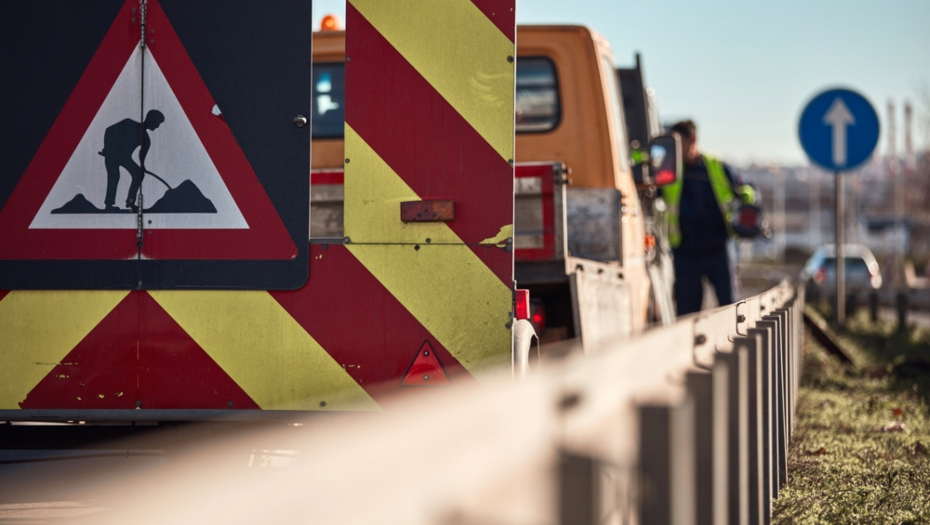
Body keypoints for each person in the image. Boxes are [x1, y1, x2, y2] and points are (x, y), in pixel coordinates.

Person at [663, 120, 756, 316]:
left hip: (719, 249)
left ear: (693, 140)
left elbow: (747, 188)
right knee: (687, 315)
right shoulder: (669, 172)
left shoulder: (717, 167)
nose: (676, 149)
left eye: (679, 143)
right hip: (685, 252)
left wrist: (747, 200)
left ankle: (734, 345)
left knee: (730, 308)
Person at [99, 110, 165, 212]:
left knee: (139, 175)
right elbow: (109, 130)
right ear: (152, 120)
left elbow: (142, 154)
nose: (157, 127)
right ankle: (109, 205)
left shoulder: (146, 139)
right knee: (114, 176)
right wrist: (107, 147)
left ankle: (130, 201)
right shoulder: (128, 123)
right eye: (157, 123)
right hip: (111, 155)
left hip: (125, 158)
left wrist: (142, 167)